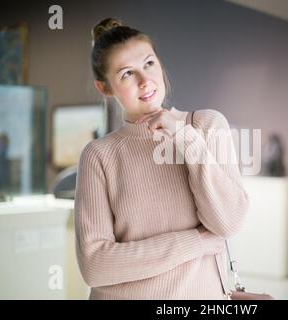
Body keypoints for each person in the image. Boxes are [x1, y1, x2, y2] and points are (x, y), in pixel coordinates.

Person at [75, 18, 249, 300]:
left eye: (149, 64)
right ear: (104, 88)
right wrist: (196, 242)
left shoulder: (206, 125)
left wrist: (185, 139)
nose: (145, 81)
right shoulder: (99, 155)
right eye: (127, 74)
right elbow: (95, 266)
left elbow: (227, 224)